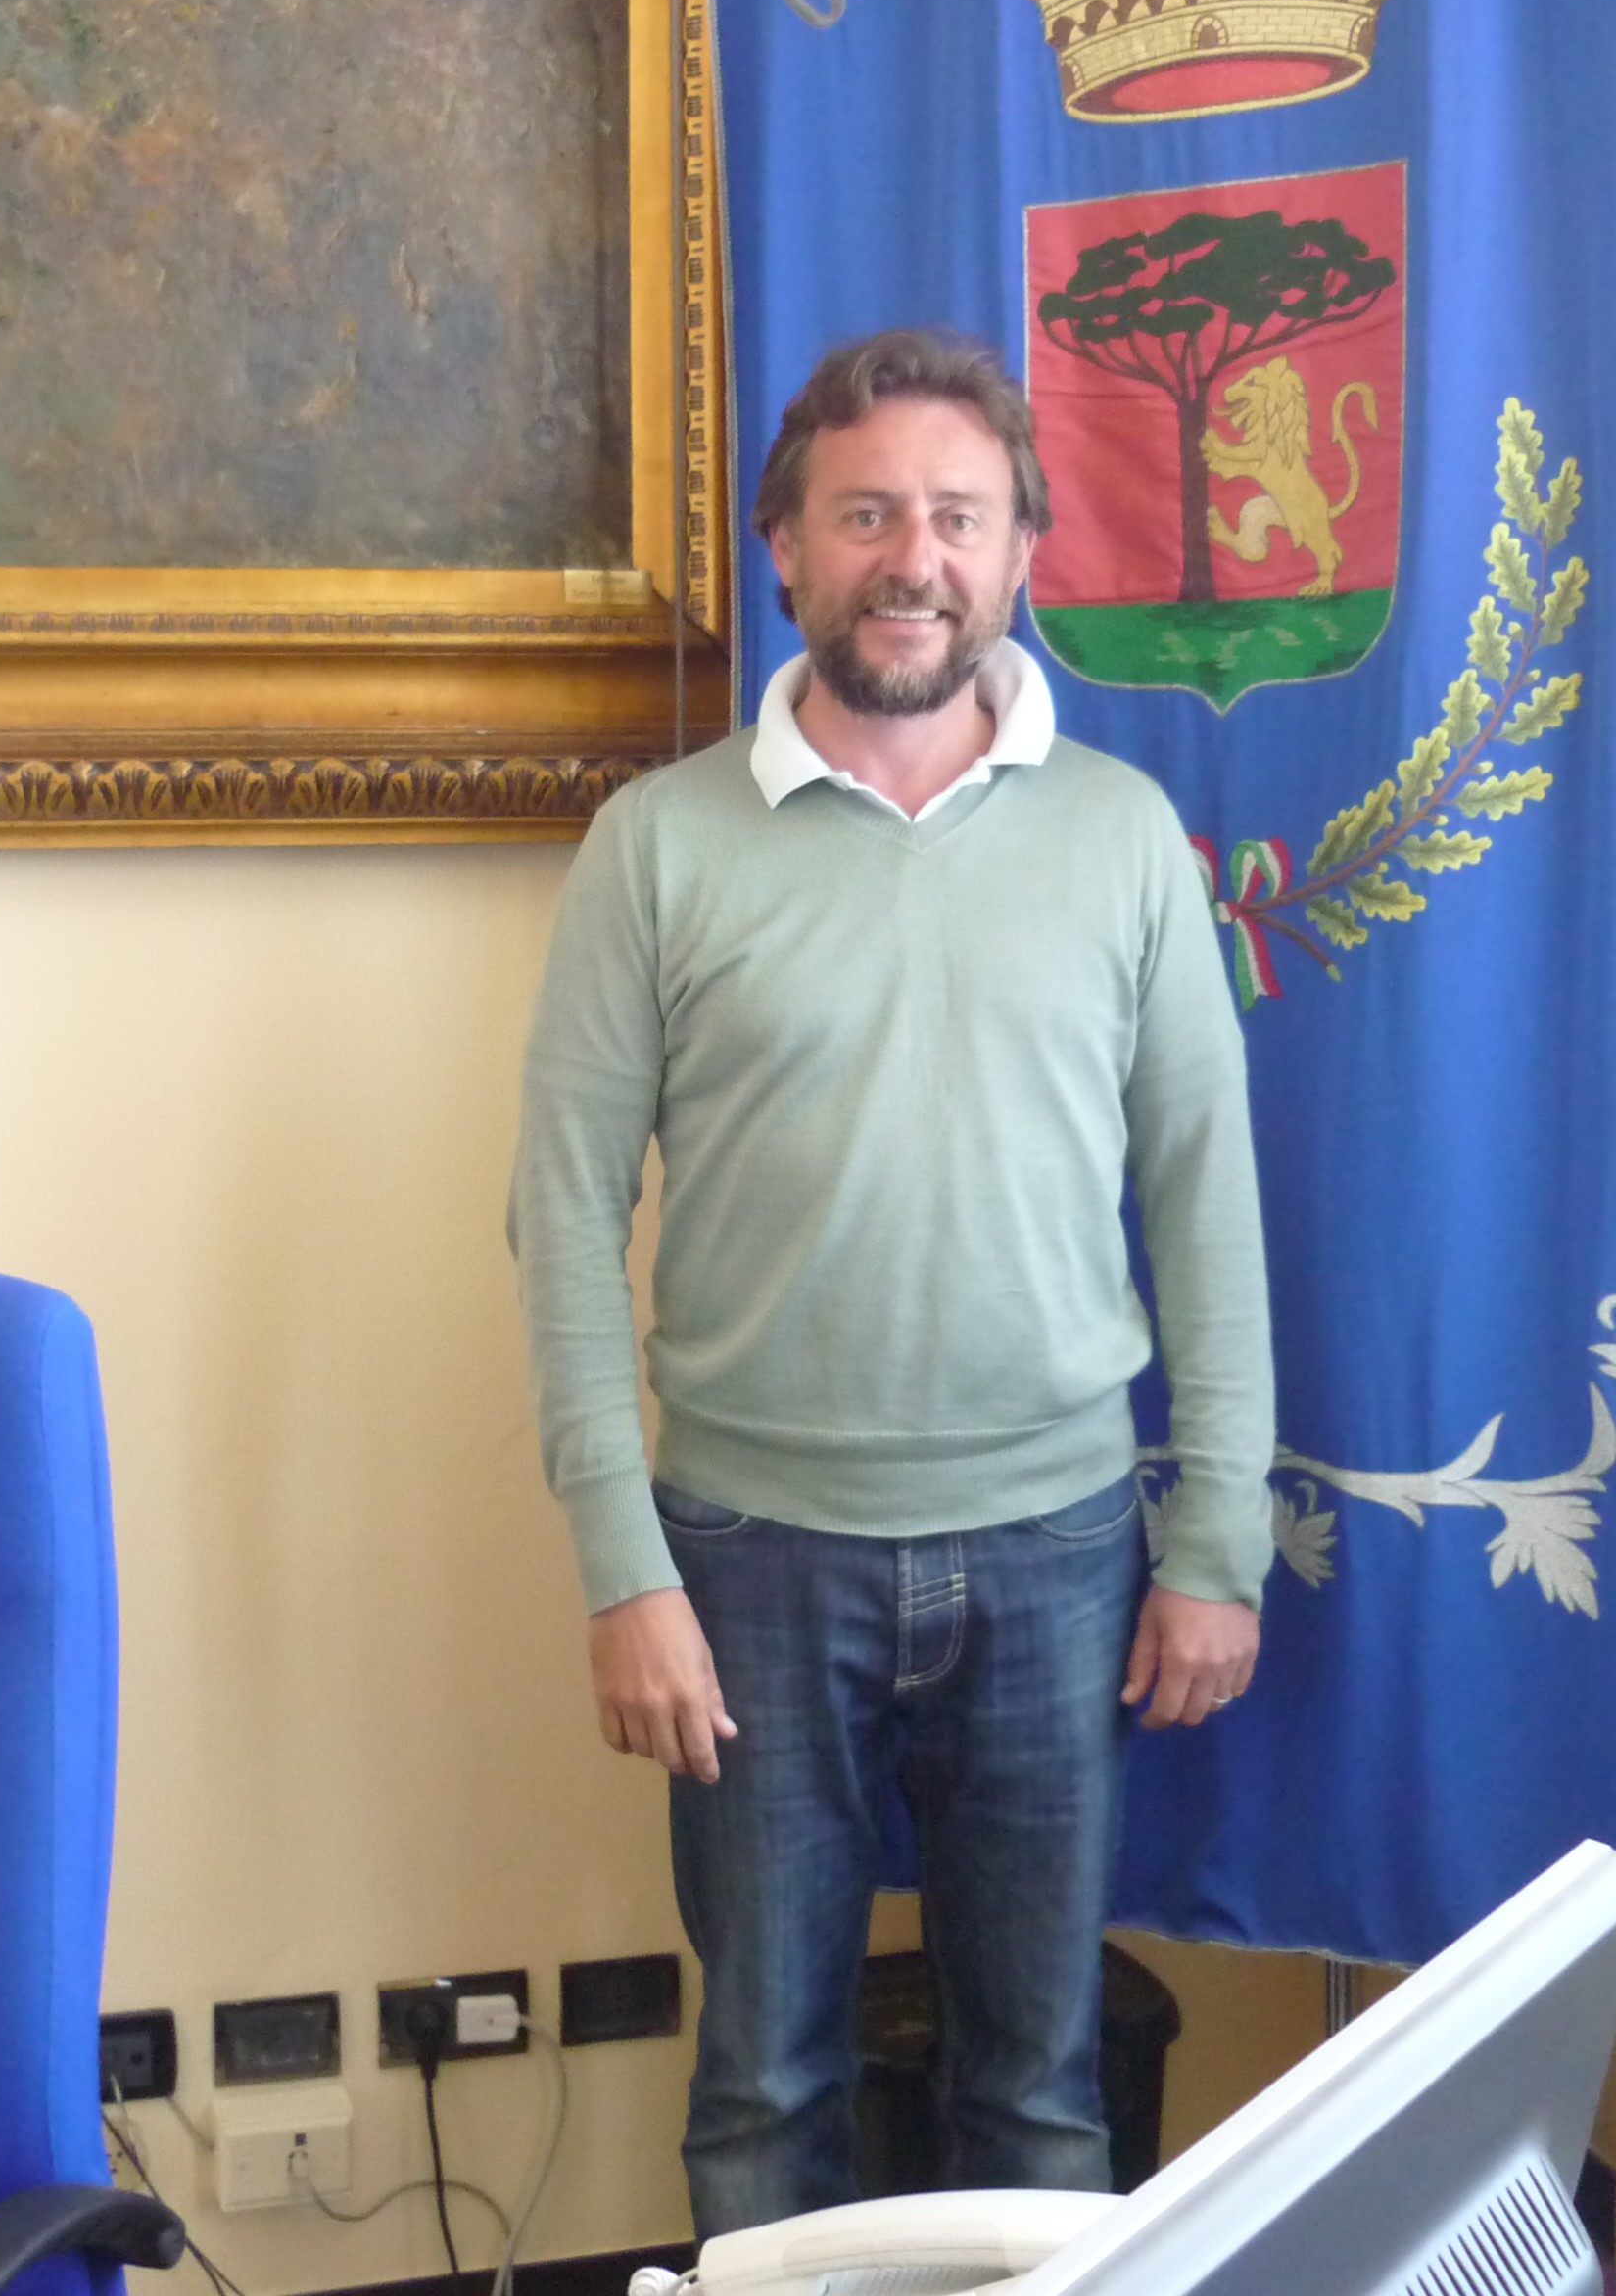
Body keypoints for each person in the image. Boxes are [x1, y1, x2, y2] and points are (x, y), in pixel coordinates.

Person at [507, 328, 1277, 2237]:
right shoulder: (655, 849)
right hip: (748, 1565)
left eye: (957, 515)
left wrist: (1219, 1540)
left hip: (1061, 1552)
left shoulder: (1121, 840)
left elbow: (1206, 1199)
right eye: (865, 516)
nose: (912, 558)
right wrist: (622, 1570)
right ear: (786, 549)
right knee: (767, 2090)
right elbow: (563, 1213)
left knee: (1040, 2093)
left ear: (1021, 551)